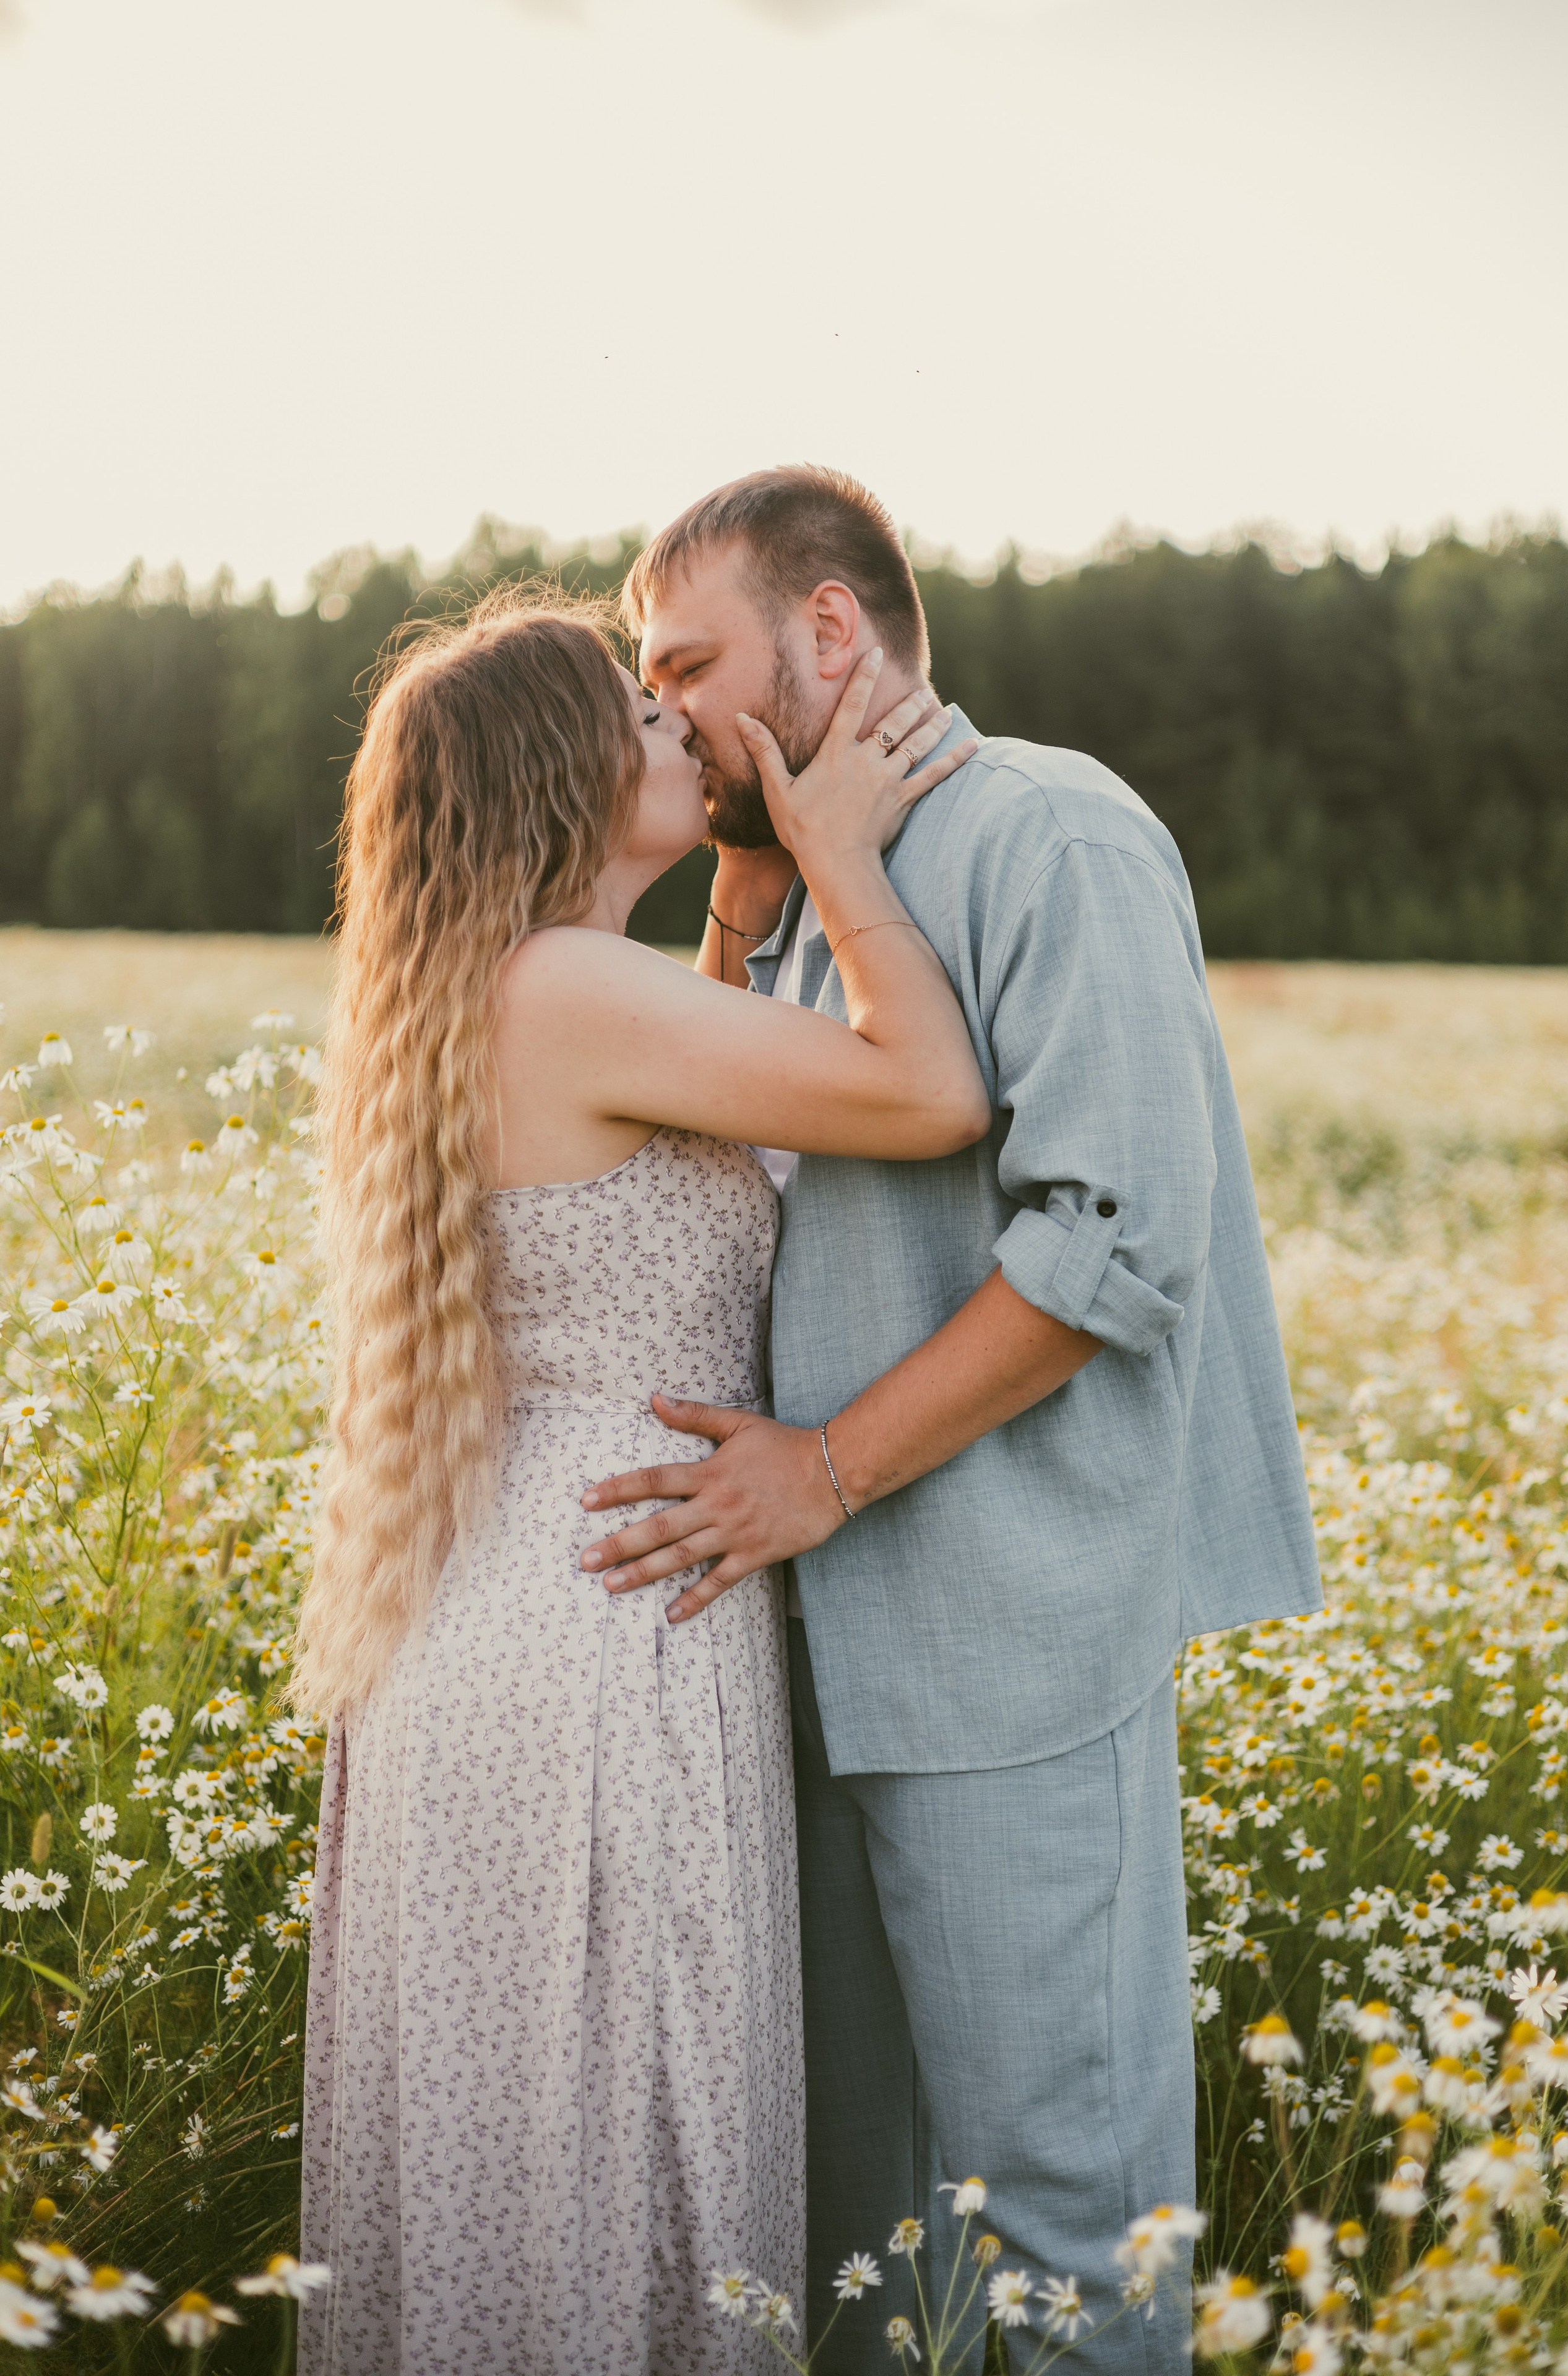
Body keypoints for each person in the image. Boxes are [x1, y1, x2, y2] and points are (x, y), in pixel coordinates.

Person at [583, 467, 1324, 2374]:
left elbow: (1116, 1244)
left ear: (832, 633)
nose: (667, 718)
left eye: (692, 667)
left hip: (1009, 1651)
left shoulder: (1048, 836)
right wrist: (744, 917)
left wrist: (822, 1469)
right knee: (858, 2264)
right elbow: (723, 1205)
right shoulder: (817, 885)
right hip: (805, 1663)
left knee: (1068, 2251)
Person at [293, 583, 988, 2376]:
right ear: (561, 773)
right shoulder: (570, 993)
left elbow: (661, 1151)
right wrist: (839, 858)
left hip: (508, 1606)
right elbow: (925, 1094)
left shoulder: (504, 993)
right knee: (626, 2126)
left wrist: (738, 932)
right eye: (637, 706)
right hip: (617, 1622)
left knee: (535, 2165)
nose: (679, 721)